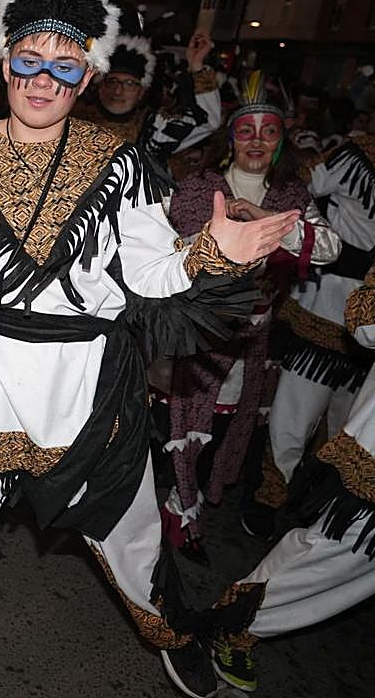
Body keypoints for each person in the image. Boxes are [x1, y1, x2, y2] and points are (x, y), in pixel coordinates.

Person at [0, 0, 299, 698]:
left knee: (131, 539)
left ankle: (172, 632)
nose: (42, 80)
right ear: (4, 65)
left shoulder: (118, 161)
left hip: (88, 392)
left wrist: (209, 253)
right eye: (28, 60)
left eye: (65, 66)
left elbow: (152, 273)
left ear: (87, 75)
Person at [162, 79, 339, 563]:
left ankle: (184, 505)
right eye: (246, 131)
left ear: (281, 140)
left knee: (222, 431)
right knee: (178, 427)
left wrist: (264, 217)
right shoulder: (200, 187)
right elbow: (167, 243)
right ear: (231, 137)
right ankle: (176, 512)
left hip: (253, 338)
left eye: (268, 131)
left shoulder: (290, 196)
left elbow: (329, 248)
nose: (256, 140)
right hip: (197, 334)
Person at [206, 262, 375, 693]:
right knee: (337, 547)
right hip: (326, 307)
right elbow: (367, 321)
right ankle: (235, 618)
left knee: (354, 568)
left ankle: (241, 616)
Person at [260, 98, 375, 532]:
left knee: (342, 427)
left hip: (358, 322)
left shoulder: (355, 152)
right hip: (331, 307)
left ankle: (310, 511)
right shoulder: (357, 153)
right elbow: (299, 188)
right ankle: (274, 497)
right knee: (299, 413)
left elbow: (303, 185)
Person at [74, 22, 220, 163]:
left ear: (141, 92)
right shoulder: (73, 122)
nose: (118, 91)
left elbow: (207, 122)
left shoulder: (154, 129)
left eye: (130, 84)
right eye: (112, 81)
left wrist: (197, 66)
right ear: (99, 85)